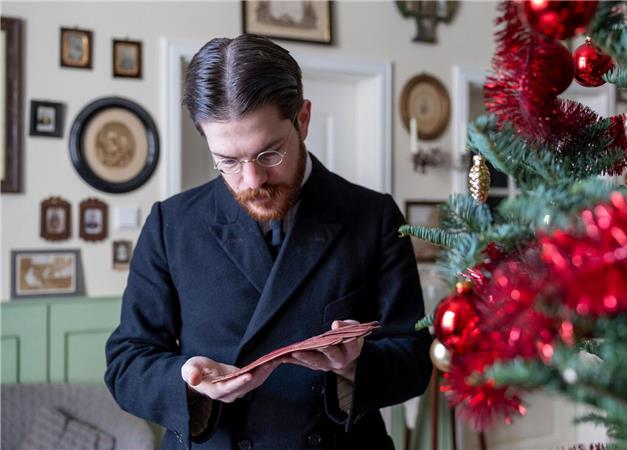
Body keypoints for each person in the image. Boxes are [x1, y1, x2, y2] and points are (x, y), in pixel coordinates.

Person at [105, 34, 432, 450]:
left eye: (269, 154)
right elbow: (126, 362)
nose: (252, 180)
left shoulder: (374, 217)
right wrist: (186, 380)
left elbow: (414, 360)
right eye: (228, 161)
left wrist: (356, 363)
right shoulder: (172, 224)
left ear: (303, 120)